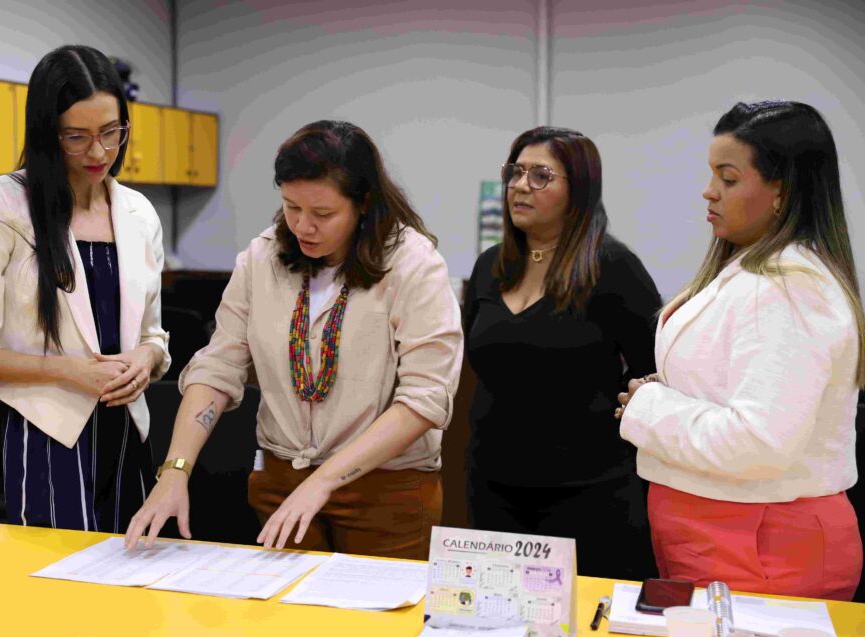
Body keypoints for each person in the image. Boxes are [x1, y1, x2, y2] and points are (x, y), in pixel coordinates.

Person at [125, 120, 463, 559]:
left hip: (384, 491)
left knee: (376, 625)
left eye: (323, 214)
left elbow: (424, 399)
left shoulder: (414, 265)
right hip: (282, 483)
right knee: (289, 622)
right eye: (290, 207)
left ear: (363, 205)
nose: (303, 226)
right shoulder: (262, 258)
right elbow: (218, 366)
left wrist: (323, 481)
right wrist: (176, 469)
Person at [618, 101, 864, 601]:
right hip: (724, 534)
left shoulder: (790, 289)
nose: (709, 191)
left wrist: (648, 408)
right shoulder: (753, 269)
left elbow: (760, 441)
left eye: (728, 179)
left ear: (782, 190)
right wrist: (672, 392)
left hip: (763, 543)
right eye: (713, 175)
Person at [0, 45, 171, 532]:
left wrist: (146, 360)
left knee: (132, 585)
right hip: (50, 434)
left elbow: (154, 336)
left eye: (111, 133)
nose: (99, 153)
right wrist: (68, 371)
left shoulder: (139, 213)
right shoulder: (6, 203)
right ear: (48, 133)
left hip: (128, 430)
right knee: (60, 589)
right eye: (77, 137)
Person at [463, 126, 661, 580]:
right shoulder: (489, 268)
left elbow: (655, 371)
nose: (519, 186)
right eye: (515, 172)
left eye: (540, 176)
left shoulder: (613, 268)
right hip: (493, 485)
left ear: (579, 192)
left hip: (590, 491)